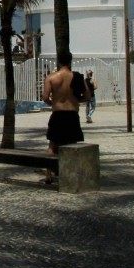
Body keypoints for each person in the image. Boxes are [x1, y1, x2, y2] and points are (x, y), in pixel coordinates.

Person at [42, 52, 85, 183]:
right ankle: (71, 174)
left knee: (52, 146)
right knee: (72, 146)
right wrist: (76, 101)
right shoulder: (77, 77)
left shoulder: (51, 77)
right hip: (72, 114)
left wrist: (53, 103)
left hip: (58, 114)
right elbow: (88, 96)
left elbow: (45, 97)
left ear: (58, 61)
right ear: (70, 61)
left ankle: (49, 174)